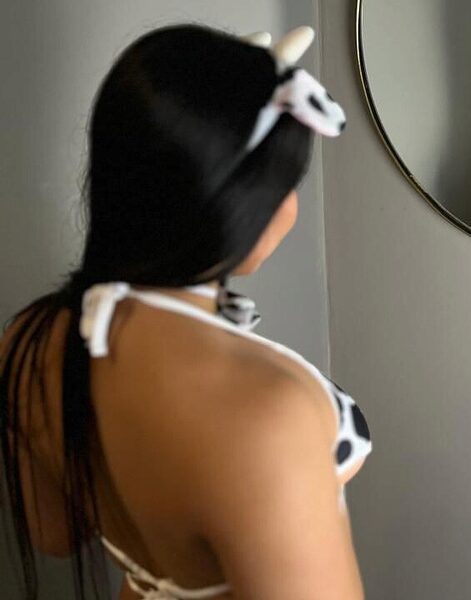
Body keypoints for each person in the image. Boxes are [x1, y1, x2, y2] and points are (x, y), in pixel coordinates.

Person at [0, 24, 371, 600]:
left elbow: (54, 534)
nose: (290, 206)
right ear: (239, 201)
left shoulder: (30, 338)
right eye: (286, 184)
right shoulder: (263, 413)